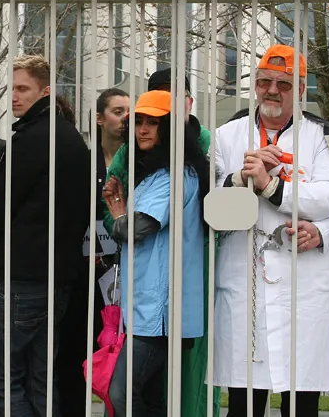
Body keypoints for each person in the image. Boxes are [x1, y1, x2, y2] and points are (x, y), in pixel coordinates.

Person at [210, 44, 329, 417]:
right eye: (265, 82)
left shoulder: (321, 136)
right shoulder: (227, 135)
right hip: (244, 280)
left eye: (284, 85)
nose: (272, 91)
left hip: (303, 283)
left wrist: (271, 187)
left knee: (301, 401)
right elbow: (211, 207)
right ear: (255, 84)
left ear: (300, 90)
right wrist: (241, 178)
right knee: (244, 402)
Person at [101, 69, 218, 417]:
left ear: (170, 128)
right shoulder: (158, 171)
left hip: (160, 311)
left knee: (120, 392)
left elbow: (135, 229)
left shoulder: (174, 174)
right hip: (149, 307)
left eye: (153, 123)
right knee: (151, 398)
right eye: (138, 122)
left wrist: (118, 211)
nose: (143, 130)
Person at [0, 54, 91, 417]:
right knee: (40, 375)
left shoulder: (33, 138)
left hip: (23, 274)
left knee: (0, 374)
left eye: (23, 89)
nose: (14, 96)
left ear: (45, 92)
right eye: (11, 88)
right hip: (58, 276)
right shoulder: (70, 137)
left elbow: (2, 205)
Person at [57, 87, 130, 416]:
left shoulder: (138, 164)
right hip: (84, 272)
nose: (125, 118)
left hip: (125, 270)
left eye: (129, 112)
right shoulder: (83, 163)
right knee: (76, 350)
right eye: (118, 111)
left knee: (121, 356)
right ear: (99, 118)